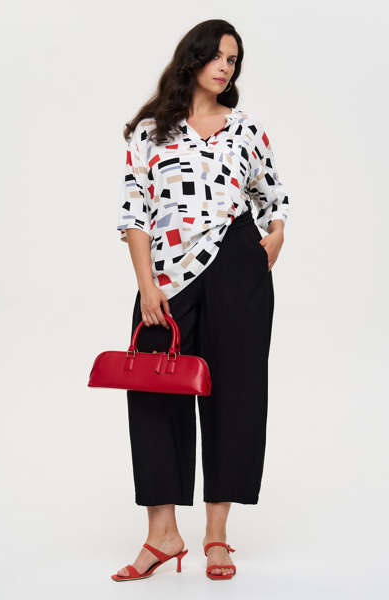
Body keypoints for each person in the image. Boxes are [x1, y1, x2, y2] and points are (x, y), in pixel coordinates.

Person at [112, 19, 289, 582]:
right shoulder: (149, 132)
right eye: (217, 56)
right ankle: (162, 535)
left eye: (233, 60)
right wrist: (147, 285)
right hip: (166, 277)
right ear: (192, 59)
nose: (225, 67)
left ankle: (216, 535)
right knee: (152, 393)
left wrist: (275, 234)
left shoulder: (247, 130)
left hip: (236, 268)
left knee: (235, 393)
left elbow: (272, 194)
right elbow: (134, 212)